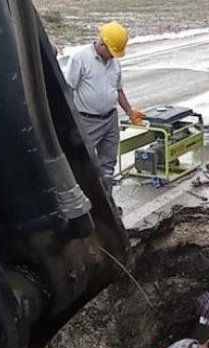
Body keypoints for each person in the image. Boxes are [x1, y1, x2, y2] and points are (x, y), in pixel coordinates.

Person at [64, 21, 135, 210]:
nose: (113, 56)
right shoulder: (80, 59)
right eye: (112, 51)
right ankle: (84, 208)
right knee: (82, 164)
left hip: (110, 119)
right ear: (102, 44)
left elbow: (118, 90)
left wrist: (130, 111)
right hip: (87, 121)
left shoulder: (114, 63)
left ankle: (107, 206)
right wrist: (68, 120)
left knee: (108, 164)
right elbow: (67, 89)